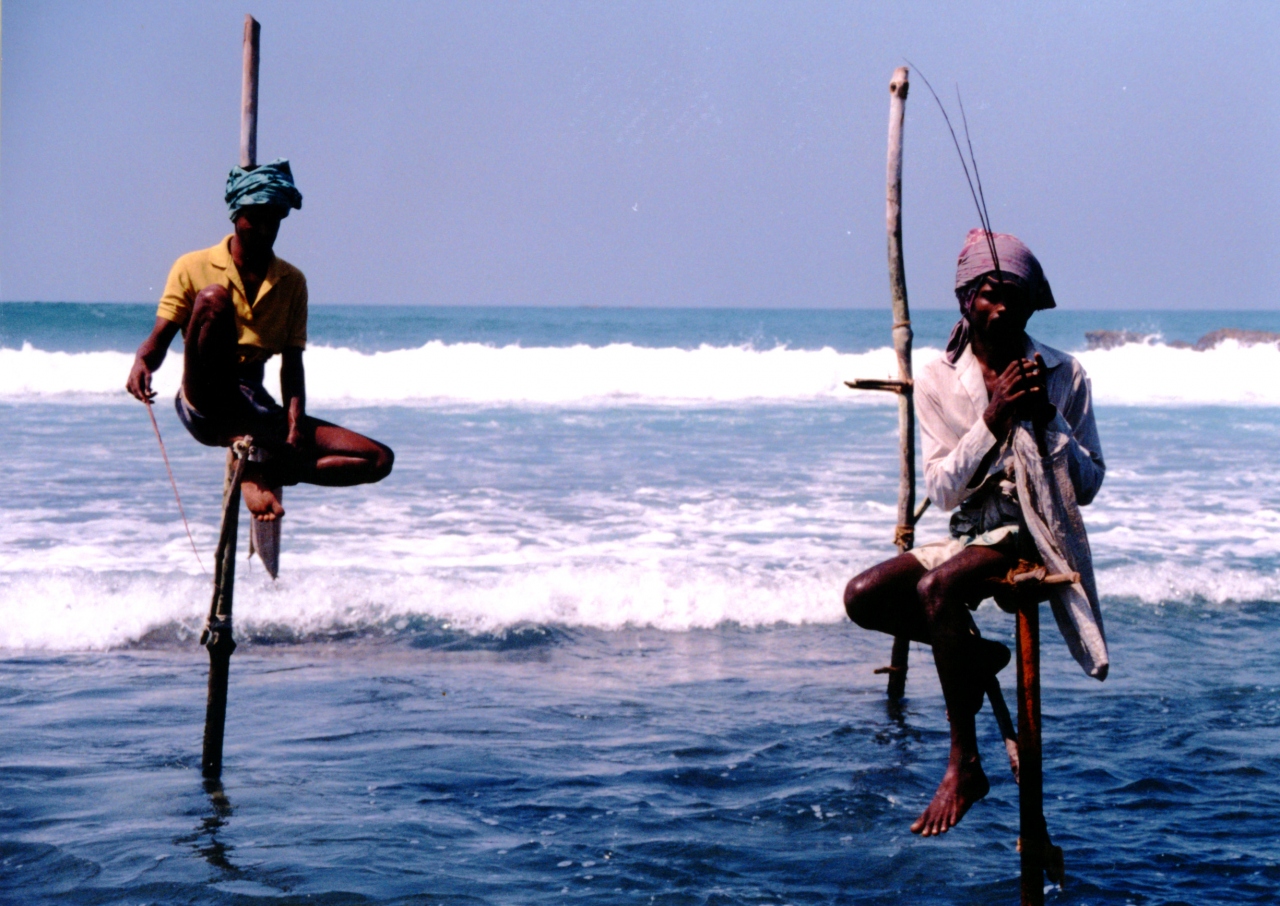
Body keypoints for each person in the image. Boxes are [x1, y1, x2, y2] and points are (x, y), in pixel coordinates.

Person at [843, 229, 1105, 837]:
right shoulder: (938, 377)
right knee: (864, 596)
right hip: (968, 533)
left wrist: (1046, 419)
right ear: (967, 301)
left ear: (1031, 304)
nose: (1002, 306)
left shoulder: (1066, 374)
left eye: (1015, 294)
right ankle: (972, 653)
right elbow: (942, 491)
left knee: (937, 592)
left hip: (1034, 531)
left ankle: (964, 763)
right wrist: (991, 420)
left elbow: (1088, 485)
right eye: (990, 292)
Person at [126, 159, 393, 521]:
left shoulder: (292, 281)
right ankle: (249, 455)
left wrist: (295, 429)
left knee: (378, 459)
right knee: (212, 299)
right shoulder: (191, 266)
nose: (265, 227)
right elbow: (158, 339)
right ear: (236, 215)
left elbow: (292, 364)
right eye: (256, 216)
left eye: (274, 218)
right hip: (204, 398)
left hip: (254, 404)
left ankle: (267, 471)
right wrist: (143, 363)